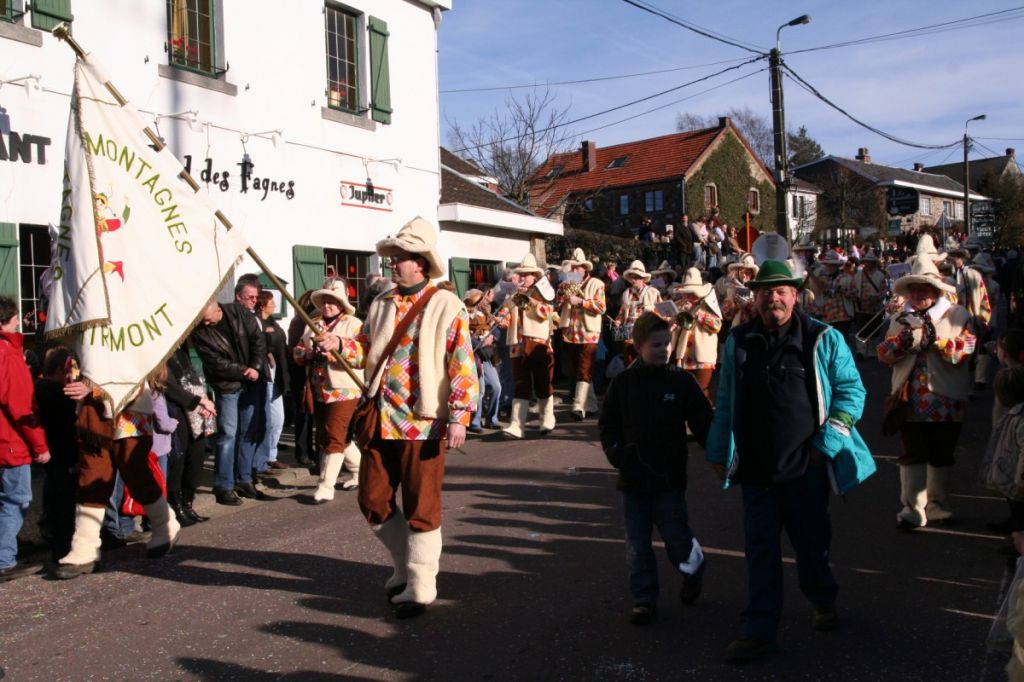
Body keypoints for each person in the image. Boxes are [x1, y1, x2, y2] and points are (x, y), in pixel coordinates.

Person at [706, 260, 875, 662]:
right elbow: (726, 398)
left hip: (806, 468)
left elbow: (852, 392)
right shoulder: (739, 341)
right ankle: (758, 630)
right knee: (761, 549)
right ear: (756, 297)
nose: (773, 298)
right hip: (757, 471)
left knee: (811, 545)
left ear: (796, 295)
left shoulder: (823, 338)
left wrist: (826, 446)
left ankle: (822, 597)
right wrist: (717, 449)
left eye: (782, 290)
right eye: (766, 291)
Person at [322, 216, 478, 619]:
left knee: (421, 504)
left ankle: (421, 585)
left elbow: (462, 360)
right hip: (379, 415)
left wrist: (460, 414)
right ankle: (403, 567)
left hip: (423, 421)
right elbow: (363, 348)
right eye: (392, 257)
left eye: (401, 257)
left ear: (421, 262)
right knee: (372, 499)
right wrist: (337, 342)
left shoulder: (446, 303)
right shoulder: (381, 302)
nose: (393, 263)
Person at [599, 312, 712, 625]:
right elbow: (608, 423)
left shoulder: (681, 381)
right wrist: (614, 451)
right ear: (637, 346)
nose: (663, 350)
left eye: (666, 344)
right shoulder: (622, 384)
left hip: (669, 478)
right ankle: (644, 598)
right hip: (633, 478)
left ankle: (694, 570)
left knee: (677, 539)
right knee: (637, 544)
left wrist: (719, 452)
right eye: (656, 344)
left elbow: (703, 422)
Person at [877, 255, 975, 528]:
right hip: (909, 400)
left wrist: (937, 343)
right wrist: (902, 343)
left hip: (946, 399)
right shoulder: (899, 318)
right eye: (914, 289)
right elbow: (884, 355)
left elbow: (966, 350)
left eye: (924, 289)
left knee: (942, 453)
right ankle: (912, 509)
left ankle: (936, 505)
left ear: (935, 291)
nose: (919, 294)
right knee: (912, 452)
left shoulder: (958, 316)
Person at [57, 378, 180, 579]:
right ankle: (84, 547)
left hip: (130, 407)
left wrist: (93, 387)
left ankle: (165, 524)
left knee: (136, 474)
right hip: (93, 413)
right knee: (91, 478)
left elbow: (133, 367)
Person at [190, 291, 267, 505]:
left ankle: (244, 478)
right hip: (227, 385)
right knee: (228, 434)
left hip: (251, 380)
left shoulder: (239, 312)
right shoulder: (200, 332)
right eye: (201, 319)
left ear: (218, 309)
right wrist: (245, 370)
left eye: (208, 318)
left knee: (249, 431)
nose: (205, 323)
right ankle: (223, 485)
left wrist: (256, 367)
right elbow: (215, 363)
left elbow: (258, 340)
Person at [295, 278, 364, 504]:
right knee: (331, 434)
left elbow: (361, 356)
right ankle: (359, 471)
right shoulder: (311, 323)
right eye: (324, 301)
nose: (327, 306)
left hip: (345, 387)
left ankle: (326, 485)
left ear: (342, 303)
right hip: (318, 386)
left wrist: (335, 353)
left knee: (333, 433)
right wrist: (305, 353)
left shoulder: (354, 324)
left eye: (332, 301)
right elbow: (298, 350)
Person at [0, 296, 50, 581]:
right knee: (16, 499)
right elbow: (21, 405)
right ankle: (4, 558)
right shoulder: (8, 354)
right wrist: (40, 445)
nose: (19, 322)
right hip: (10, 440)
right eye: (15, 318)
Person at [495, 253, 557, 438]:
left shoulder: (543, 292)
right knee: (520, 384)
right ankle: (517, 426)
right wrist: (500, 319)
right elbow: (507, 315)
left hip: (538, 342)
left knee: (543, 383)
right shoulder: (513, 294)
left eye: (526, 274)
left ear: (534, 276)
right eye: (520, 274)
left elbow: (547, 313)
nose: (522, 278)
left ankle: (547, 418)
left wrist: (528, 301)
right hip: (517, 343)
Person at [35, 345, 80, 561]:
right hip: (64, 453)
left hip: (52, 453)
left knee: (54, 497)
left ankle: (54, 539)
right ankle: (63, 549)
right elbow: (69, 424)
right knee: (65, 505)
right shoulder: (59, 394)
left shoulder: (40, 388)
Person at [557, 248, 606, 421]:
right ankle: (591, 405)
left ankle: (578, 406)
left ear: (585, 268)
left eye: (578, 267)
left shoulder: (597, 283)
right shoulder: (568, 283)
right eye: (573, 267)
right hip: (570, 332)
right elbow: (557, 303)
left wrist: (582, 302)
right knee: (580, 370)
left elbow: (601, 307)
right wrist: (562, 293)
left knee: (584, 369)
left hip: (589, 332)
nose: (575, 270)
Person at [669, 268, 723, 402]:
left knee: (701, 392)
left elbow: (717, 325)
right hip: (684, 355)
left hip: (702, 356)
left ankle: (706, 421)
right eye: (686, 294)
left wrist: (697, 314)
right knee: (686, 393)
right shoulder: (683, 305)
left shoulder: (708, 304)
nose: (687, 297)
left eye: (690, 293)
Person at [254, 290, 290, 479]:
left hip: (277, 374)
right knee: (266, 419)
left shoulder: (274, 324)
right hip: (266, 372)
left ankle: (271, 454)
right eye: (271, 302)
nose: (275, 305)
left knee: (278, 418)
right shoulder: (257, 323)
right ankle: (262, 459)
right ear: (263, 304)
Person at [465, 288, 503, 433]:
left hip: (488, 354)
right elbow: (466, 335)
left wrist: (492, 337)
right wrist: (479, 342)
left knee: (496, 387)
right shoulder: (466, 315)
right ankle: (474, 421)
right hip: (474, 355)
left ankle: (491, 419)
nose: (483, 301)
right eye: (479, 299)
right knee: (479, 389)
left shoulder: (487, 313)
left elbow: (497, 331)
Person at [613, 260, 661, 365]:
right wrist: (618, 321)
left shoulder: (653, 292)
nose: (633, 280)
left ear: (643, 278)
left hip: (646, 334)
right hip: (628, 333)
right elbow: (621, 312)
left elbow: (661, 314)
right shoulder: (626, 293)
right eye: (631, 277)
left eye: (637, 277)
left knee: (647, 363)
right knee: (629, 362)